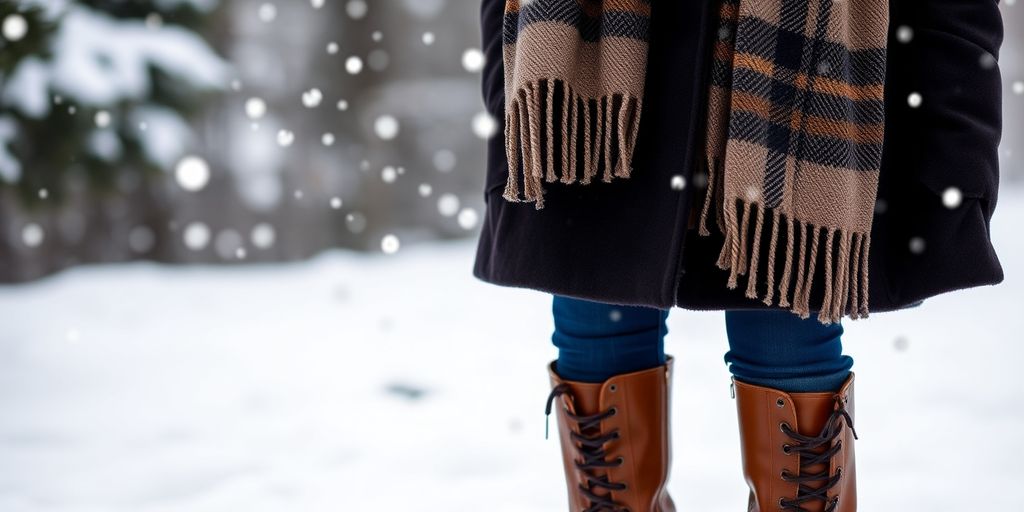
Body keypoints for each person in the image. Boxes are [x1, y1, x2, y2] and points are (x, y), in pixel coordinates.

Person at [473, 0, 1004, 511]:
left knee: (789, 337)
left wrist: (959, 144)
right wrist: (509, 86)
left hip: (799, 92)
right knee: (596, 321)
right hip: (589, 93)